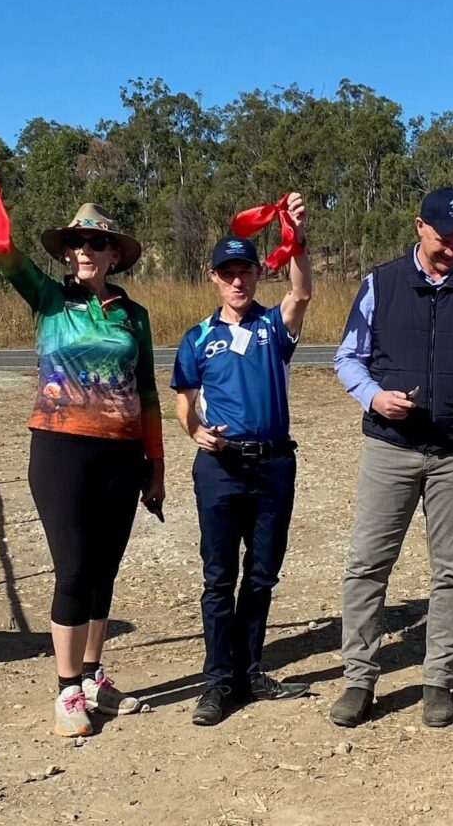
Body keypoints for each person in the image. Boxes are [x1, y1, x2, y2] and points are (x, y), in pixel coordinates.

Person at [0, 132, 165, 738]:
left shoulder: (134, 314)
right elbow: (1, 248)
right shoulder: (48, 299)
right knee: (73, 566)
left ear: (113, 254)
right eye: (75, 242)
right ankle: (67, 689)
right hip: (61, 450)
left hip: (123, 457)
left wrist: (156, 465)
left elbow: (146, 391)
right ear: (66, 252)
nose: (84, 251)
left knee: (104, 569)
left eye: (96, 242)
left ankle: (94, 673)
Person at [331, 187, 453, 728]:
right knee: (367, 565)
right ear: (419, 227)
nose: (452, 250)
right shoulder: (380, 284)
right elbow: (348, 356)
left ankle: (440, 680)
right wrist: (373, 396)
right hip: (389, 449)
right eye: (443, 239)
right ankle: (359, 679)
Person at [171, 197, 312, 727]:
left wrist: (295, 237)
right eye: (227, 273)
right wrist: (195, 432)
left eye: (246, 272)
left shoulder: (273, 328)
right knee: (218, 577)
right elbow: (184, 398)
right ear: (213, 278)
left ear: (257, 274)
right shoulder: (198, 338)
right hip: (222, 468)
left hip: (273, 465)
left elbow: (301, 291)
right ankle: (216, 680)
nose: (237, 282)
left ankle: (251, 672)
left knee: (261, 575)